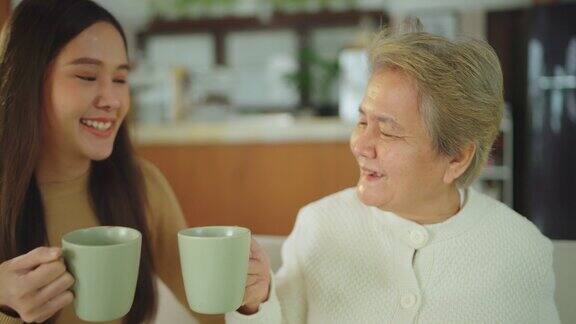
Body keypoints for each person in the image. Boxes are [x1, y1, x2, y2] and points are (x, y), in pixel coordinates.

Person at [228, 21, 560, 323]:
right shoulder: (320, 225)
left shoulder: (520, 249)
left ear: (457, 157)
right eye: (362, 122)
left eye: (388, 132)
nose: (360, 145)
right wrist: (255, 303)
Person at [0, 0, 222, 323]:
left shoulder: (143, 185)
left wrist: (251, 302)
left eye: (120, 79)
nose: (113, 101)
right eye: (88, 76)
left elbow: (210, 308)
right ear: (28, 81)